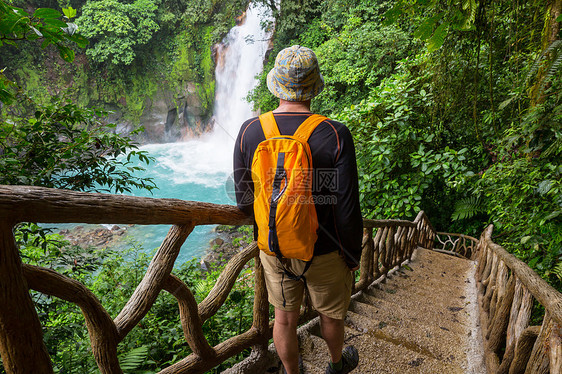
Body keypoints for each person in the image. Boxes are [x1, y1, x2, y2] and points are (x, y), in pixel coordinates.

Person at [233, 45, 363, 374]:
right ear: (313, 87)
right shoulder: (334, 133)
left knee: (285, 319)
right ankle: (336, 365)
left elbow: (244, 201)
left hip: (275, 247)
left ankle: (293, 372)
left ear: (276, 84)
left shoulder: (250, 131)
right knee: (331, 315)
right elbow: (346, 206)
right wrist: (352, 254)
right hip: (326, 250)